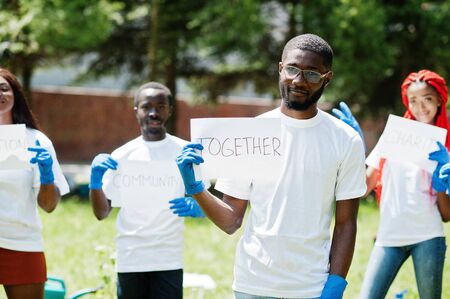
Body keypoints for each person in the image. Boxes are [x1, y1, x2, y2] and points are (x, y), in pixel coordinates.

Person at [176, 34, 367, 299]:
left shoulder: (345, 140)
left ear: (327, 78)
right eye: (292, 69)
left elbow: (346, 223)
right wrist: (196, 188)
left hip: (310, 287)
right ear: (280, 69)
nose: (299, 81)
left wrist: (336, 282)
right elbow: (232, 220)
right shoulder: (251, 134)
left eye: (312, 74)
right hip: (252, 284)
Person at [333, 70, 450, 299]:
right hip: (389, 236)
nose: (420, 107)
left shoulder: (445, 145)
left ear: (439, 100)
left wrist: (441, 184)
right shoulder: (395, 136)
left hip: (428, 236)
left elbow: (446, 215)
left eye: (427, 98)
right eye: (413, 100)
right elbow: (365, 186)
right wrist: (357, 148)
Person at [88, 82, 205, 299]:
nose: (153, 113)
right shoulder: (122, 155)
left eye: (161, 106)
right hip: (131, 257)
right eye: (146, 107)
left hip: (169, 257)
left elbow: (210, 201)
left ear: (170, 110)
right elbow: (101, 212)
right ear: (136, 111)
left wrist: (199, 207)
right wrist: (95, 183)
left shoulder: (184, 152)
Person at [0, 68, 69, 299]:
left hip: (22, 242)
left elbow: (48, 206)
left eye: (4, 88)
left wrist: (47, 173)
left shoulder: (37, 141)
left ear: (15, 94)